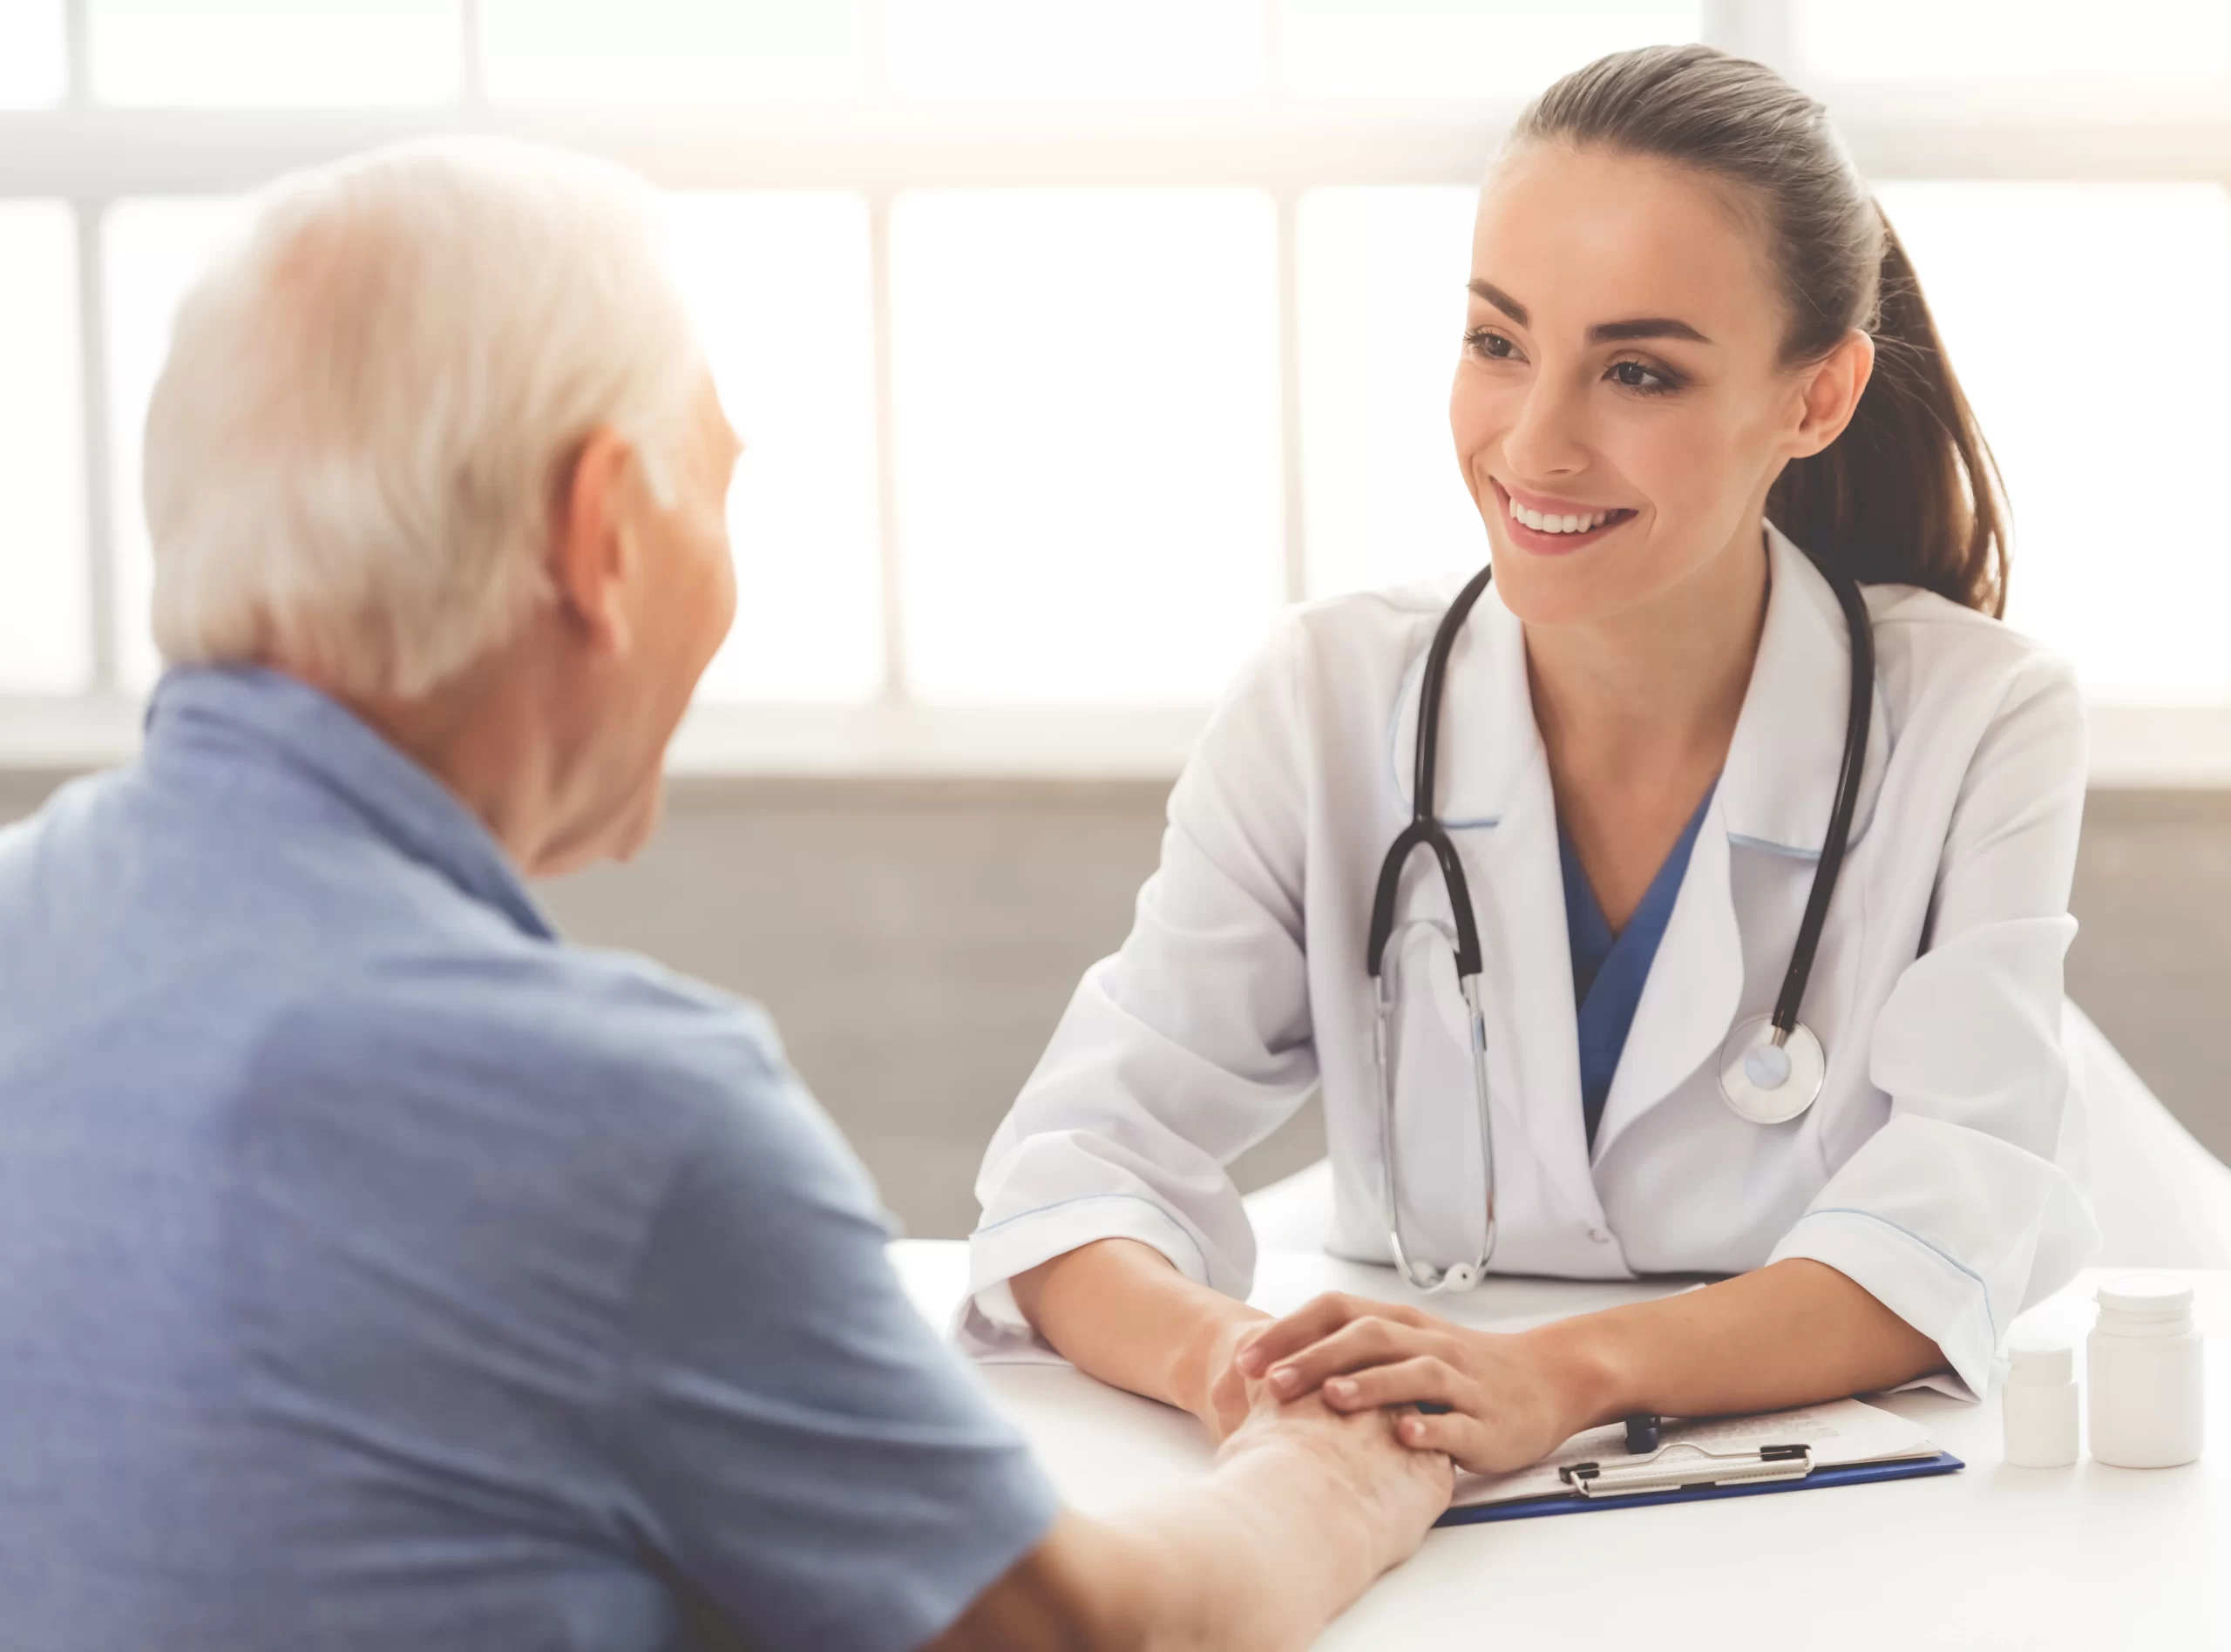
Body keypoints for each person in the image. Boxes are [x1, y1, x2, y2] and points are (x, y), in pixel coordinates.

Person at [0, 137, 1449, 1652]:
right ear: (602, 532)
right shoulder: (614, 1124)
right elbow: (1080, 1638)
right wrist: (1335, 1474)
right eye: (721, 477)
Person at [968, 44, 2098, 1477]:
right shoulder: (1322, 698)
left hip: (1815, 1517)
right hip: (1419, 1489)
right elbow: (1073, 1176)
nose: (1534, 443)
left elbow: (1963, 1221)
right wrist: (1246, 1375)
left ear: (1816, 401)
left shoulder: (1978, 719)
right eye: (1498, 343)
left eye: (1638, 371)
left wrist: (1562, 1372)